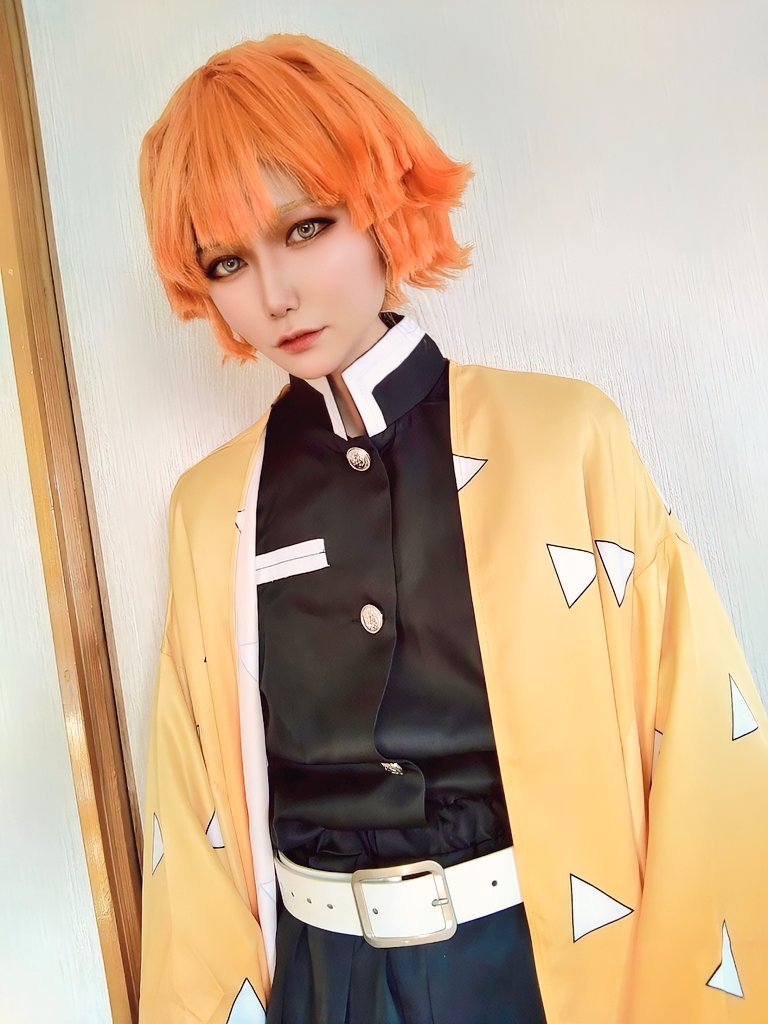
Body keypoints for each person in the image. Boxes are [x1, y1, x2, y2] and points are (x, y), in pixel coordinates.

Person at [137, 32, 768, 1024]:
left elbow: (702, 748)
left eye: (307, 227)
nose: (275, 295)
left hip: (534, 974)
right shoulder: (213, 507)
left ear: (380, 204)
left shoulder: (563, 439)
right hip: (320, 986)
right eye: (228, 261)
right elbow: (194, 820)